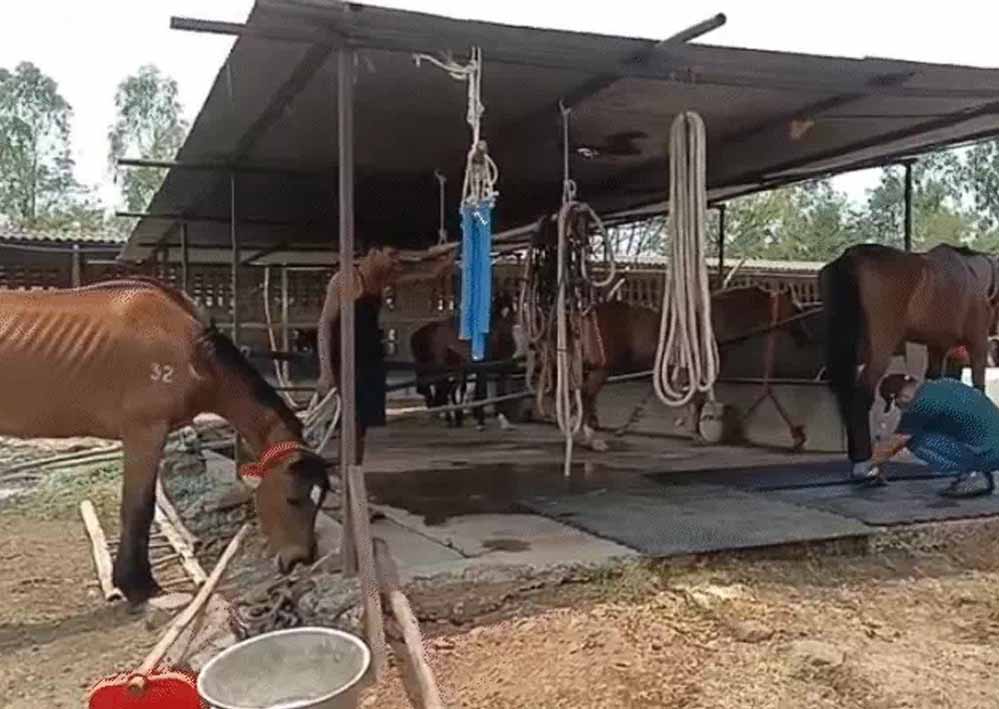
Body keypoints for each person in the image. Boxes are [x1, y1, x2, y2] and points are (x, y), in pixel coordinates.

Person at [316, 242, 454, 465]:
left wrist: (445, 257)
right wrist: (325, 371)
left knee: (361, 427)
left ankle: (353, 470)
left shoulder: (381, 280)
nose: (395, 260)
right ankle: (347, 472)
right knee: (350, 424)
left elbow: (427, 273)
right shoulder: (346, 279)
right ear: (374, 252)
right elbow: (325, 325)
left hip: (370, 360)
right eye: (392, 254)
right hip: (346, 361)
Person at [857, 373, 999, 497]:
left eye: (898, 405)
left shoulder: (921, 404)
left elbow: (896, 441)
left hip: (989, 454)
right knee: (930, 430)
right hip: (992, 447)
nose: (901, 410)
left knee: (916, 441)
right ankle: (979, 470)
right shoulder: (943, 384)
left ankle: (974, 474)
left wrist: (867, 465)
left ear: (900, 398)